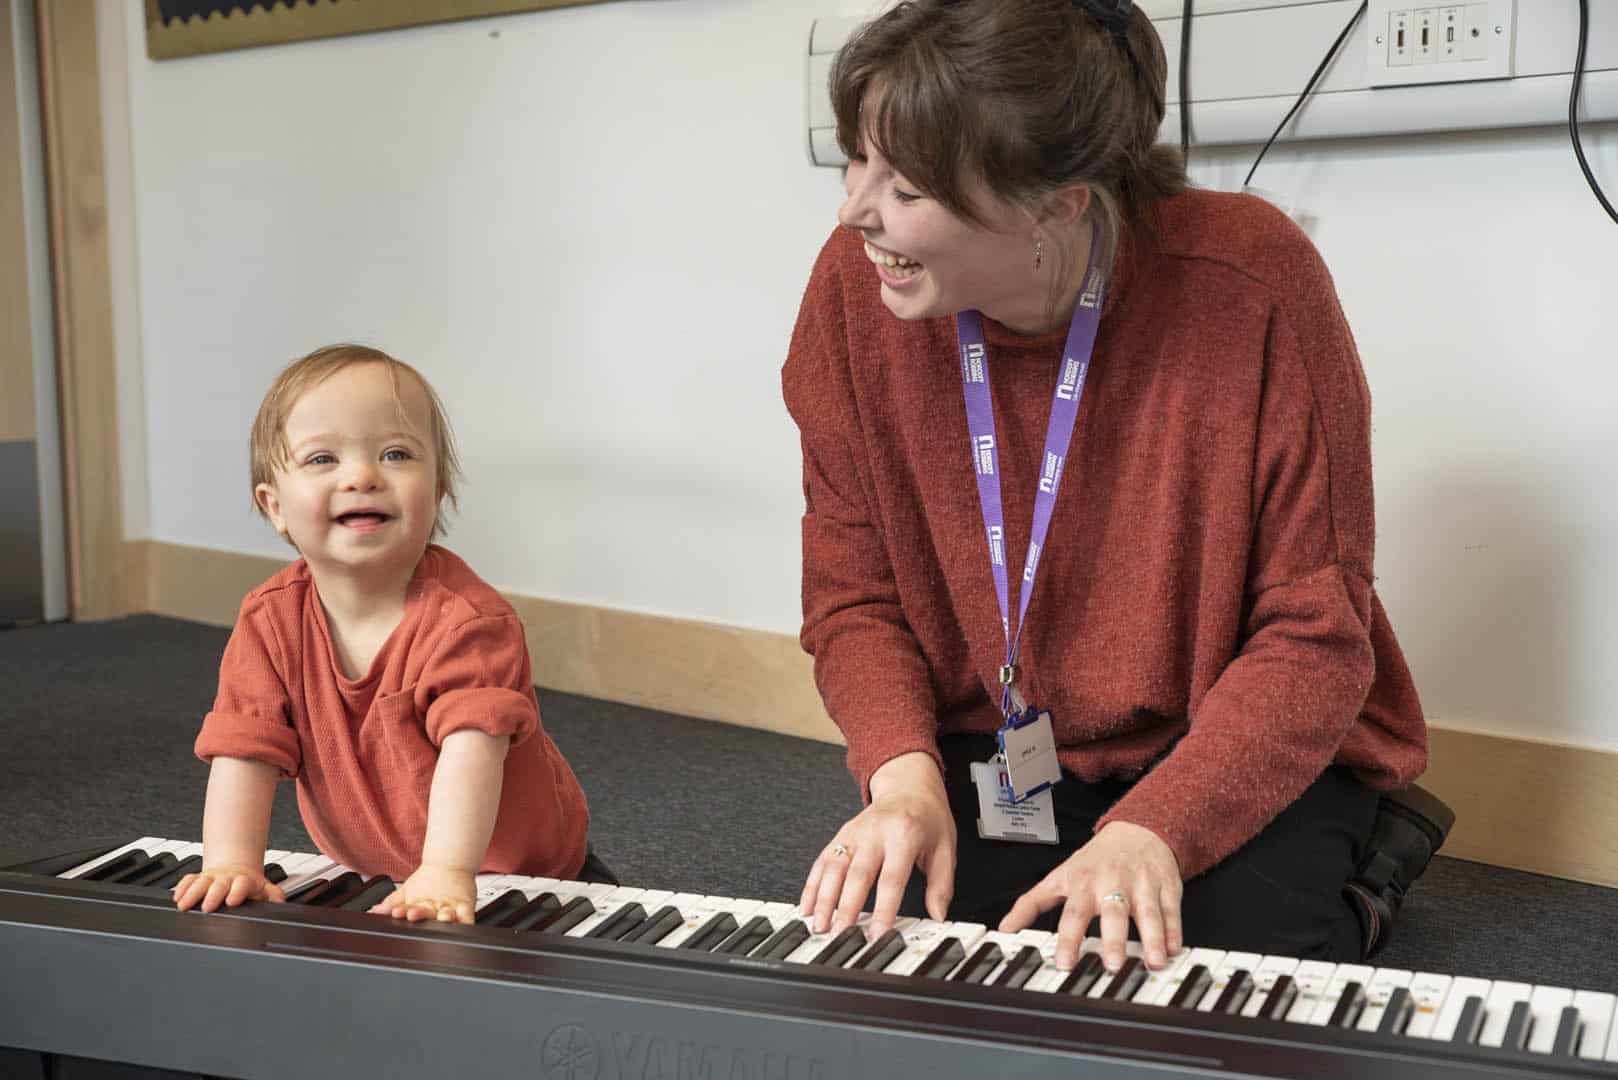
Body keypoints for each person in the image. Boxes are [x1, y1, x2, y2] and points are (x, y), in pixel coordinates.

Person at [782, 0, 1428, 977]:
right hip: (999, 742)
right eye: (853, 161)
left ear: (1055, 205)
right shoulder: (851, 290)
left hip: (1220, 736)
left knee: (1217, 971)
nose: (853, 212)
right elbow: (852, 588)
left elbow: (1314, 631)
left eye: (904, 185)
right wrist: (900, 776)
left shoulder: (1250, 279)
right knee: (884, 941)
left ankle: (1368, 865)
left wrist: (1155, 831)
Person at [173, 344, 591, 924]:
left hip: (520, 872)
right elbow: (244, 747)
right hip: (387, 869)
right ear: (274, 506)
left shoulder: (469, 621)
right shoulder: (269, 620)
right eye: (322, 459)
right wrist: (232, 861)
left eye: (395, 453)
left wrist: (446, 871)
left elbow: (472, 750)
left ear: (439, 490)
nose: (363, 476)